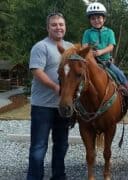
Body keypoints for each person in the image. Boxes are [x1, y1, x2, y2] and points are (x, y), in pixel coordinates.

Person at [27, 12, 73, 180]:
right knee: (39, 146)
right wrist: (55, 86)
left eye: (61, 24)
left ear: (65, 27)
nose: (58, 27)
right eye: (54, 24)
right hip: (43, 106)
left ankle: (59, 176)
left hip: (63, 105)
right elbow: (37, 71)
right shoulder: (41, 47)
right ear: (48, 28)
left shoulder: (70, 48)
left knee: (61, 145)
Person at [82, 2, 128, 89]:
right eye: (93, 18)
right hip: (91, 62)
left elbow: (111, 46)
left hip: (106, 62)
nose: (96, 20)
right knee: (78, 77)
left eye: (99, 17)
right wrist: (90, 52)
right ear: (90, 20)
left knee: (120, 75)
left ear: (104, 19)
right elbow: (85, 46)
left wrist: (100, 52)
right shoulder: (87, 33)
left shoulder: (109, 32)